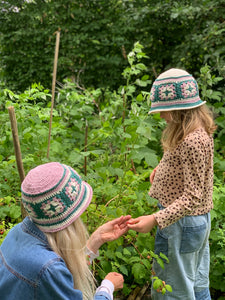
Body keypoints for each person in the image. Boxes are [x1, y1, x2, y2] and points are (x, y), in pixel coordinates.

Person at [127, 68, 217, 299]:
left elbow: (193, 196)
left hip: (181, 224)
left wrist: (155, 219)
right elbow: (194, 171)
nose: (160, 116)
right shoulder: (193, 133)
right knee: (196, 284)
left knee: (173, 290)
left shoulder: (192, 140)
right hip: (193, 223)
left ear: (180, 109)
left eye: (164, 110)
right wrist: (163, 169)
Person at [0, 162, 131, 300]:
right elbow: (53, 271)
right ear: (68, 216)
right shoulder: (48, 268)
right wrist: (107, 287)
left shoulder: (17, 233)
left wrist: (95, 241)